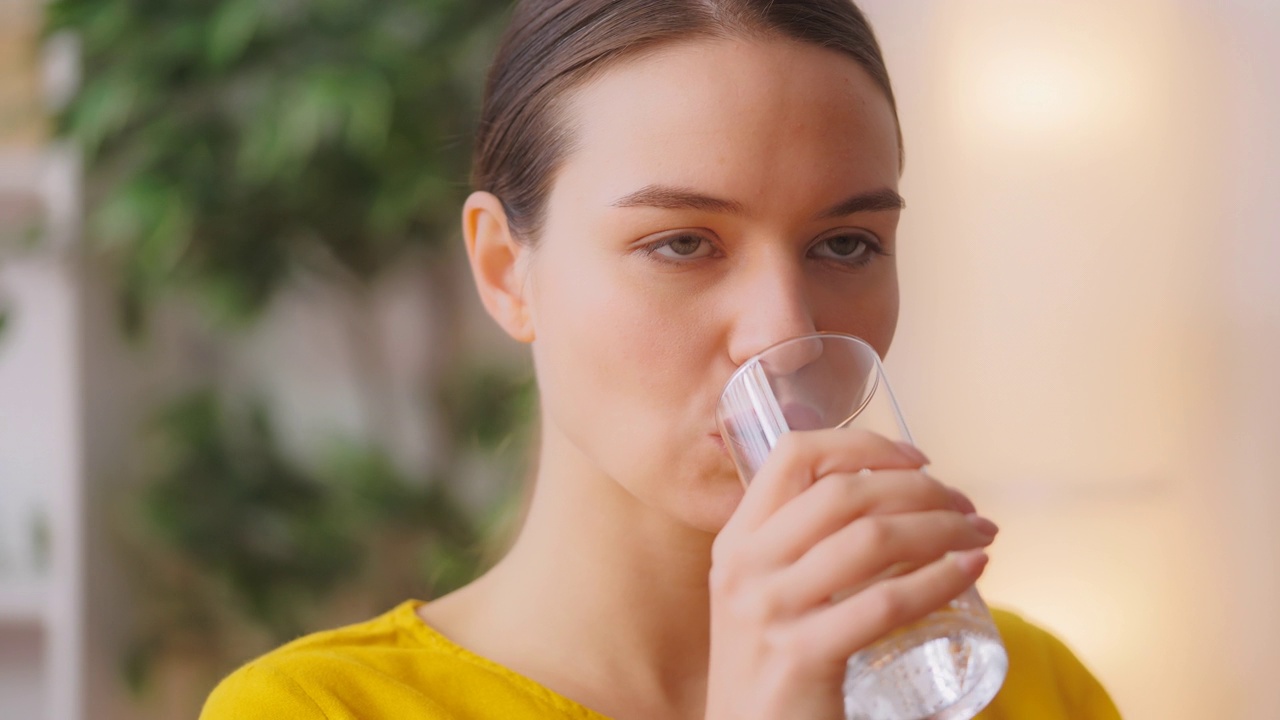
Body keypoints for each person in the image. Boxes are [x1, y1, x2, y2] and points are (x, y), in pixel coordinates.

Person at [201, 1, 1122, 718]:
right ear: (503, 269)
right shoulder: (319, 712)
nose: (781, 333)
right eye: (682, 243)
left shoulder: (1024, 692)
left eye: (845, 245)